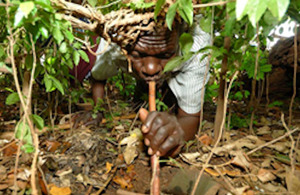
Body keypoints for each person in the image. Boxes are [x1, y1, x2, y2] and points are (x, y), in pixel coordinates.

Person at [73, 17, 211, 157]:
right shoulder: (114, 40)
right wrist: (98, 110)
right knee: (139, 101)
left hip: (175, 69)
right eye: (138, 54)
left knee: (169, 100)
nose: (151, 69)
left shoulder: (196, 48)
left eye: (165, 54)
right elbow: (99, 77)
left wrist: (178, 133)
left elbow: (190, 117)